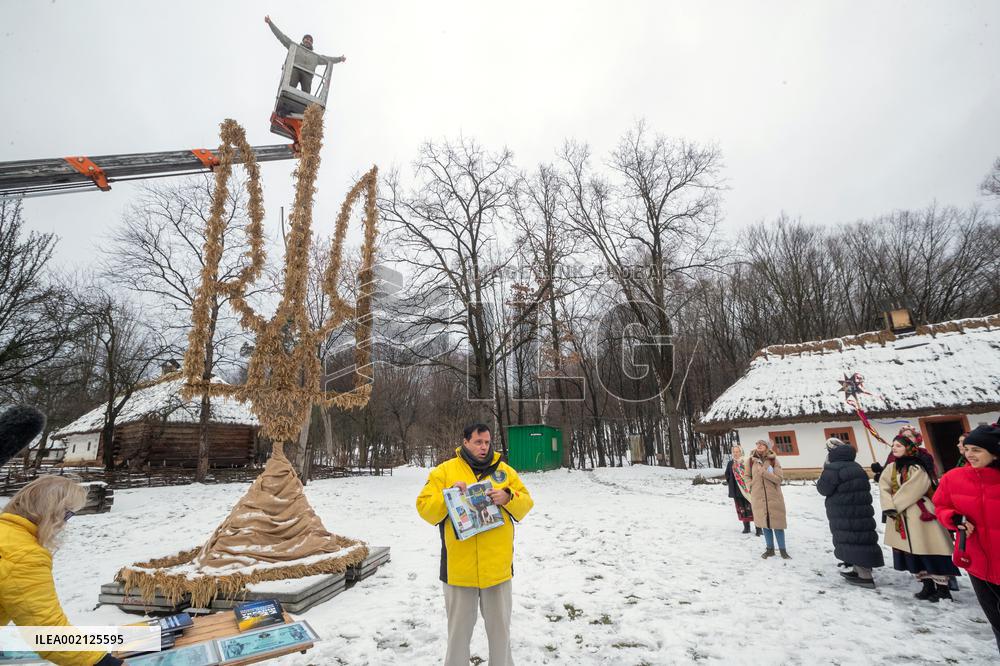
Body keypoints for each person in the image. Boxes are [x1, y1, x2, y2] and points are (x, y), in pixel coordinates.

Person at [416, 423, 534, 666]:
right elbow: (425, 508)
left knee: (501, 633)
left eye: (487, 442)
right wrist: (448, 495)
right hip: (459, 571)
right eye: (478, 442)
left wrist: (509, 496)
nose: (484, 447)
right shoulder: (445, 471)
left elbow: (526, 502)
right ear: (465, 442)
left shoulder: (505, 472)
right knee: (458, 635)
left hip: (497, 570)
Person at [1, 476, 124, 666]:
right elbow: (46, 631)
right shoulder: (23, 554)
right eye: (68, 515)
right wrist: (103, 662)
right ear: (53, 512)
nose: (65, 524)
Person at [934, 423, 1000, 652]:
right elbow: (940, 506)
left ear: (995, 452)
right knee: (997, 622)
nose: (970, 454)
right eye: (968, 448)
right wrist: (953, 518)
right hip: (977, 563)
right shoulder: (953, 478)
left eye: (977, 450)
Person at [879, 430, 959, 602]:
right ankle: (927, 585)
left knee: (930, 549)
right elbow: (883, 487)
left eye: (899, 446)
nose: (894, 448)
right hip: (901, 516)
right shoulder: (891, 468)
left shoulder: (917, 466)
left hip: (920, 514)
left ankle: (943, 588)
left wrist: (896, 505)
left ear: (909, 448)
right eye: (893, 446)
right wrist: (888, 507)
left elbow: (915, 489)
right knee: (913, 552)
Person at [816, 437, 885, 588]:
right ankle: (858, 569)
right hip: (860, 511)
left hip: (844, 511)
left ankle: (864, 576)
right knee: (860, 539)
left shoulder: (833, 468)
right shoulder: (857, 466)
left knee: (851, 539)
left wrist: (824, 471)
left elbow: (823, 488)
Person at [265, 15, 346, 94]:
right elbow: (282, 37)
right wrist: (270, 23)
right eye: (306, 39)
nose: (308, 41)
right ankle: (286, 94)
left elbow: (328, 59)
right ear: (303, 40)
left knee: (306, 92)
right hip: (295, 69)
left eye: (310, 40)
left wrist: (340, 59)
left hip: (307, 74)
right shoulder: (295, 47)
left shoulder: (315, 57)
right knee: (291, 84)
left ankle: (307, 105)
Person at [745, 439, 790, 559]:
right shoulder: (750, 461)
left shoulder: (773, 460)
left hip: (774, 497)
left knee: (778, 524)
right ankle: (769, 549)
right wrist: (751, 486)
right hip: (758, 497)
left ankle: (783, 550)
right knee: (765, 524)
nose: (759, 445)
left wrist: (763, 472)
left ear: (767, 447)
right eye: (757, 444)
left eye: (762, 444)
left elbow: (779, 479)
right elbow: (747, 476)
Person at [724, 444, 760, 535]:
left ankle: (759, 529)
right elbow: (727, 475)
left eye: (737, 451)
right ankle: (746, 527)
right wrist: (732, 483)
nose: (735, 454)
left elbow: (752, 473)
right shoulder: (730, 463)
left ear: (741, 452)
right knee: (742, 509)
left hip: (748, 489)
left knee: (753, 508)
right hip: (737, 490)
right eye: (734, 452)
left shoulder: (746, 461)